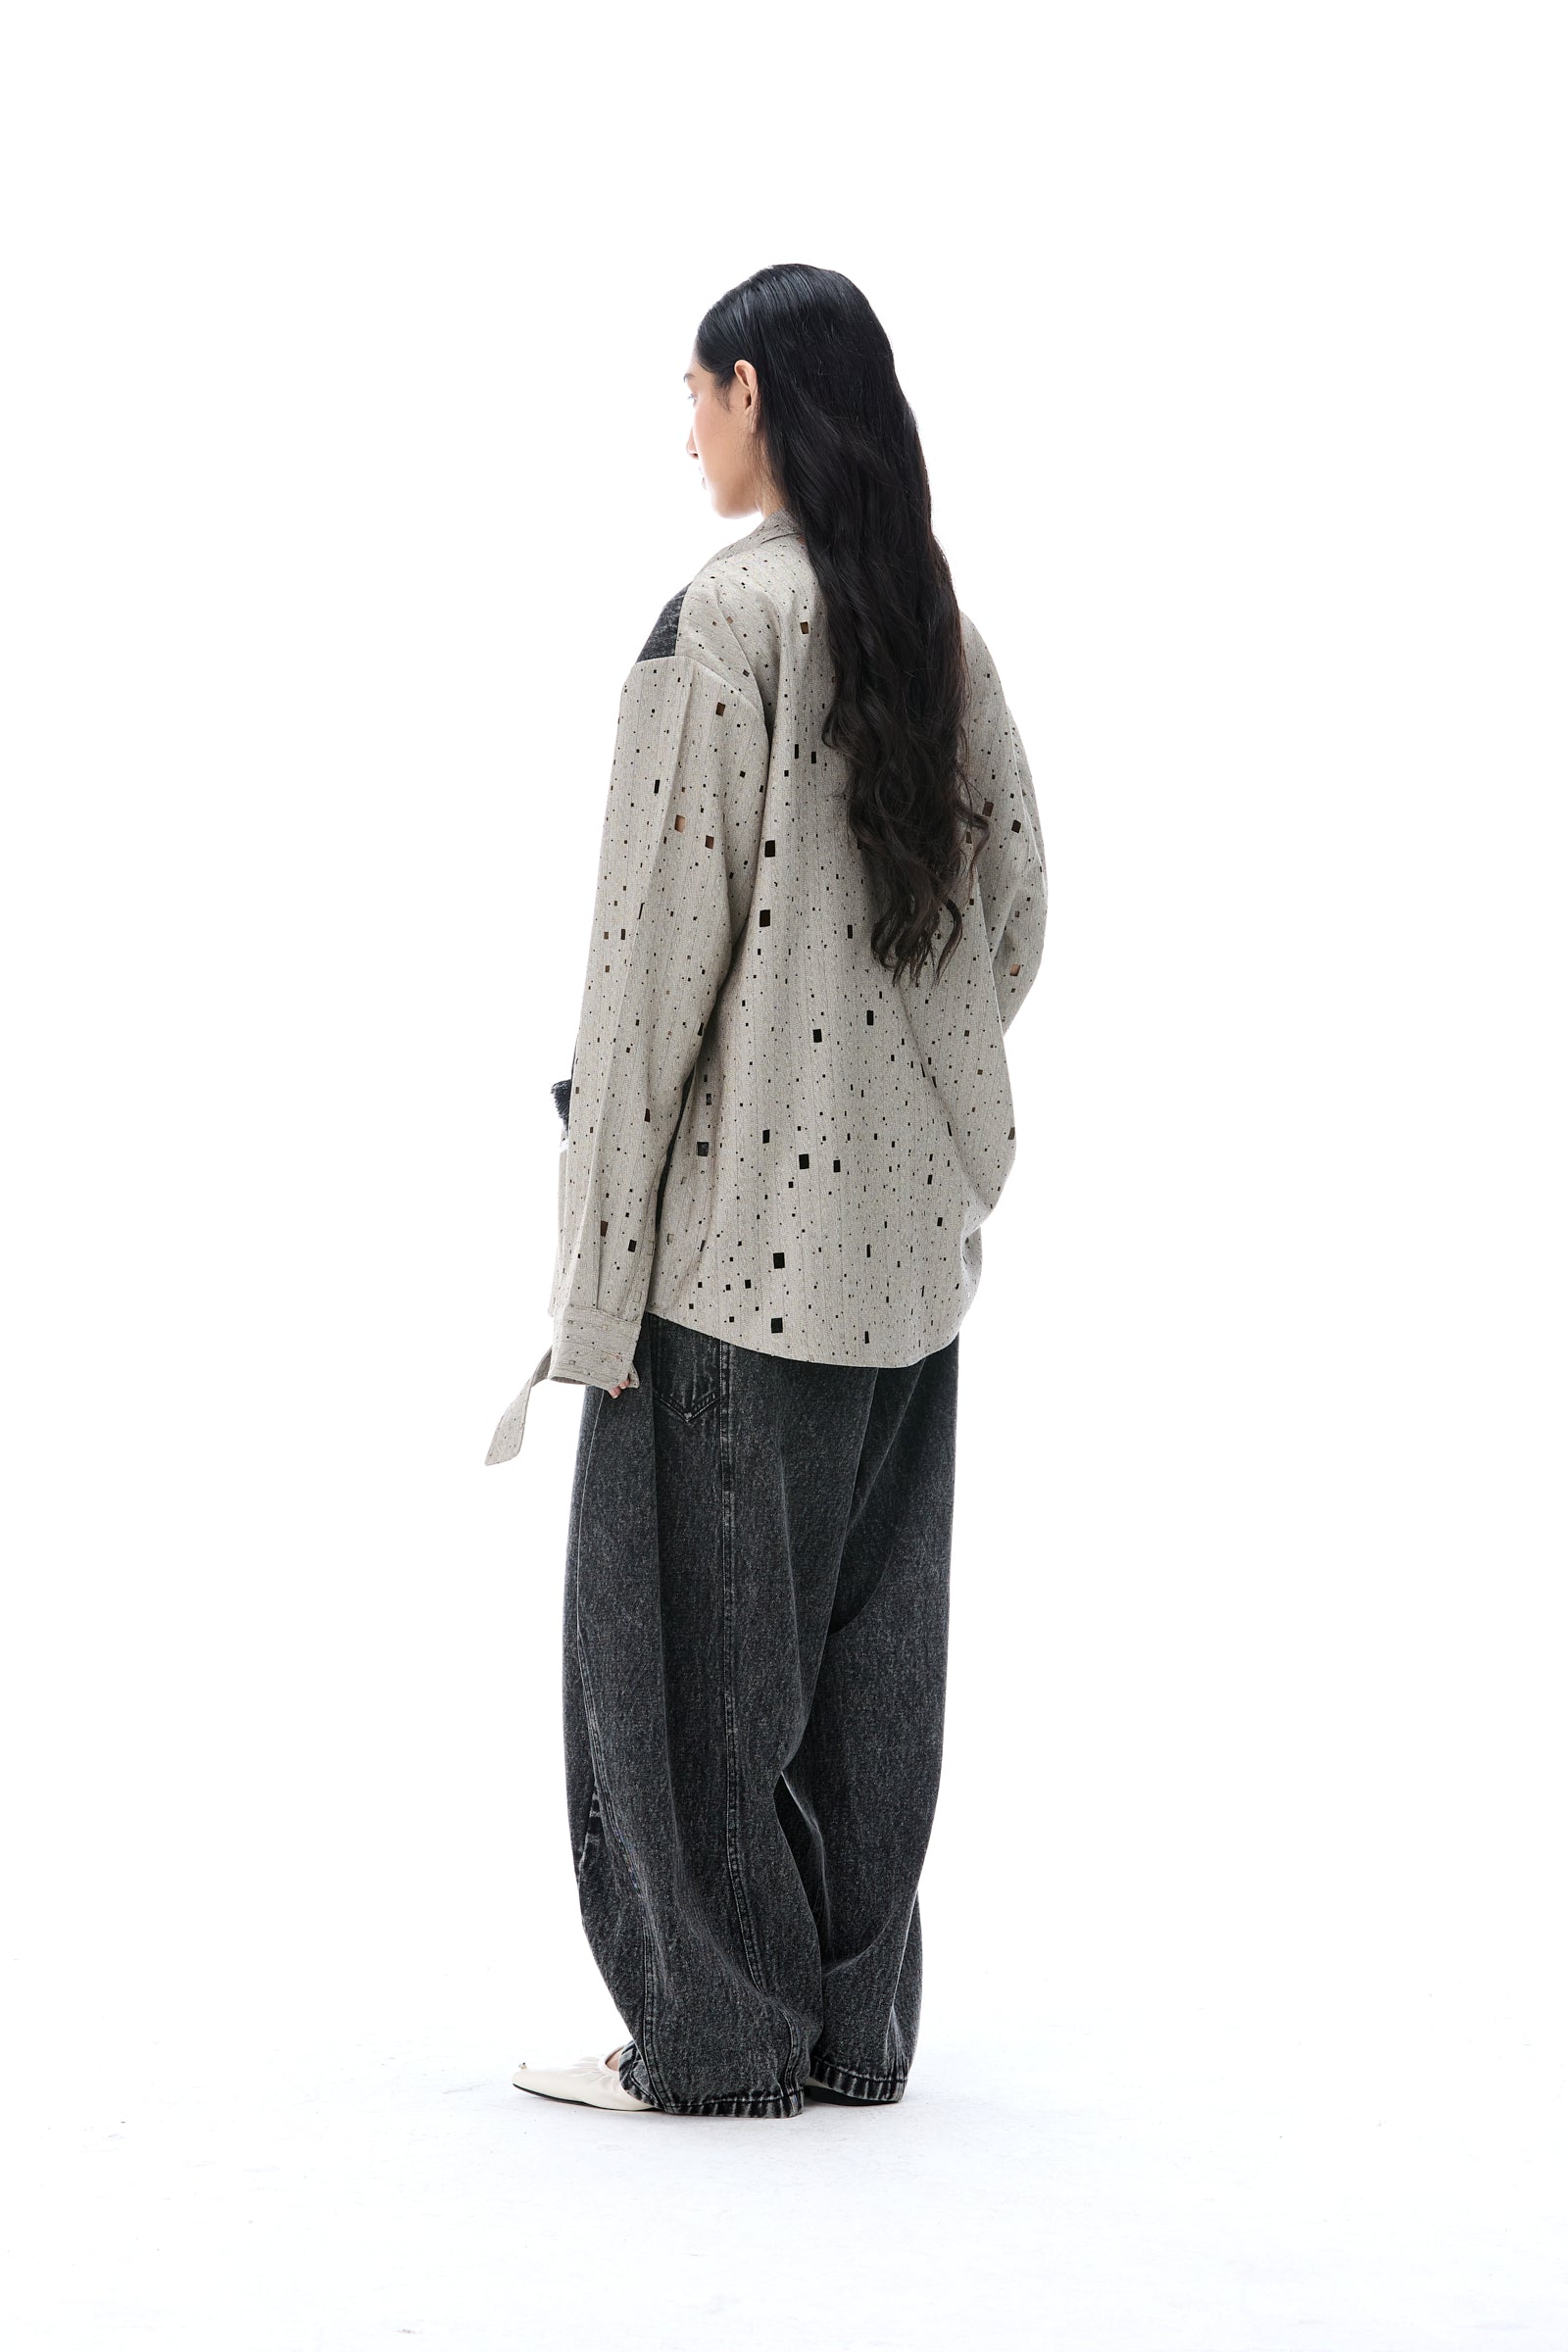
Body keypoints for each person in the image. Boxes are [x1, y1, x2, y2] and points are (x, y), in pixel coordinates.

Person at [487, 263, 1048, 2118]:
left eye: (696, 392)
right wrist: (895, 1086)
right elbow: (1018, 916)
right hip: (913, 1267)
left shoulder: (719, 624)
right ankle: (855, 2033)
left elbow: (646, 974)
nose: (687, 432)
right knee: (873, 1669)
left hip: (732, 1268)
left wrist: (594, 1290)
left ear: (752, 394)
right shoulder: (935, 626)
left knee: (679, 1687)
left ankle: (722, 2042)